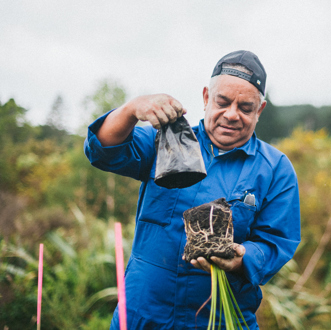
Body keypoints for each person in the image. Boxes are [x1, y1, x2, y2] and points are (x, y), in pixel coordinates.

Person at [84, 50, 301, 329]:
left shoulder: (275, 169)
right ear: (206, 98)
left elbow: (276, 243)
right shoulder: (166, 140)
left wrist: (238, 260)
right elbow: (103, 151)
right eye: (222, 102)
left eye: (245, 108)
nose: (232, 115)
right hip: (143, 314)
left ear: (259, 110)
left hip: (222, 319)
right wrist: (131, 109)